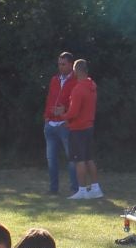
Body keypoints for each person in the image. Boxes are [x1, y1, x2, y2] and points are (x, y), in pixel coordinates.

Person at [42, 51, 79, 197]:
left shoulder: (76, 80)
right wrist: (46, 116)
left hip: (65, 124)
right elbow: (50, 98)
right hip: (50, 124)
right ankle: (53, 189)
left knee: (71, 158)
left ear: (71, 64)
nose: (60, 67)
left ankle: (75, 189)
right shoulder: (54, 80)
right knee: (51, 158)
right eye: (59, 64)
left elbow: (76, 103)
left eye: (63, 64)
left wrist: (66, 114)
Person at [65, 58, 102, 200]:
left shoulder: (78, 89)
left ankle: (82, 190)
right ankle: (95, 188)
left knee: (79, 160)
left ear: (76, 70)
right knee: (89, 158)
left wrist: (63, 115)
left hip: (78, 128)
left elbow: (73, 112)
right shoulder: (92, 85)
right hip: (88, 127)